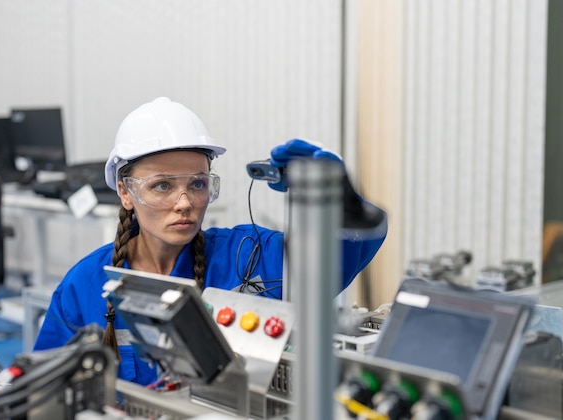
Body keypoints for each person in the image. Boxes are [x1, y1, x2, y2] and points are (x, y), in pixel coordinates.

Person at [33, 97, 387, 386]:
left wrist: (339, 204)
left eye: (198, 184)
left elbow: (329, 262)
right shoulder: (85, 286)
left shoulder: (246, 257)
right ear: (125, 193)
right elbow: (43, 389)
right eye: (162, 186)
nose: (185, 202)